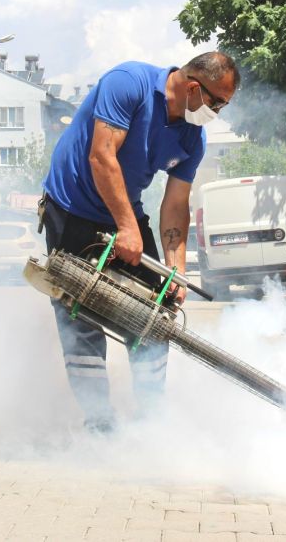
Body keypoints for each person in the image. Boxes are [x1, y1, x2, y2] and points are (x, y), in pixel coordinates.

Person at [40, 51, 239, 434]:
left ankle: (151, 420)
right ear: (195, 88)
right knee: (79, 313)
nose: (218, 112)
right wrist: (126, 229)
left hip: (124, 211)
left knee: (155, 312)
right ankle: (99, 423)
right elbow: (102, 157)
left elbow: (176, 204)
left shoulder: (192, 138)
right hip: (70, 209)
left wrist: (176, 272)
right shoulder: (128, 83)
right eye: (218, 103)